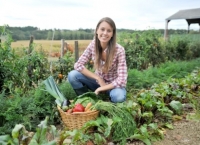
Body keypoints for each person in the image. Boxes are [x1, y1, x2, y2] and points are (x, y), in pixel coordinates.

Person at [67, 17, 127, 103]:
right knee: (73, 75)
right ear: (97, 31)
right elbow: (78, 65)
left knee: (118, 96)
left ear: (112, 34)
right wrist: (98, 78)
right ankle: (88, 100)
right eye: (102, 29)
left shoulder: (119, 50)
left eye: (109, 31)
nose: (105, 33)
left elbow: (122, 80)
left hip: (113, 86)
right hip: (96, 83)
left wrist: (102, 88)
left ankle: (109, 102)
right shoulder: (93, 44)